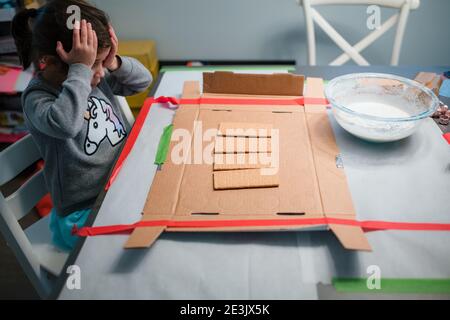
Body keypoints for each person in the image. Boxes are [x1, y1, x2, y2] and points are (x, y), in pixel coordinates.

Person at [11, 0, 153, 251]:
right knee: (140, 245)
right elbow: (66, 124)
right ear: (51, 61)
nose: (98, 74)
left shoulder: (95, 76)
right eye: (91, 65)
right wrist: (81, 71)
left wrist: (112, 63)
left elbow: (143, 81)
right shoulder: (38, 98)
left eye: (101, 63)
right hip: (81, 213)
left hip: (120, 186)